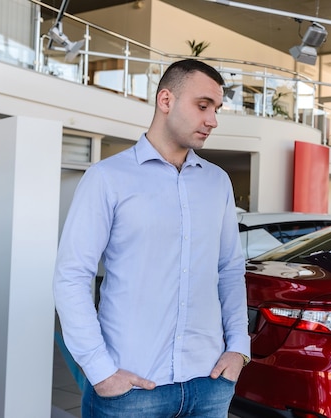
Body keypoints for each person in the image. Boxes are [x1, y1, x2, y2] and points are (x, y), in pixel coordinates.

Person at [53, 59, 250, 417]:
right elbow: (72, 276)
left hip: (209, 383)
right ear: (165, 100)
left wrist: (238, 347)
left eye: (216, 109)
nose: (213, 120)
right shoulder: (107, 178)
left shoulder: (217, 181)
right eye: (203, 106)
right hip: (129, 389)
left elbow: (230, 270)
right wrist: (100, 371)